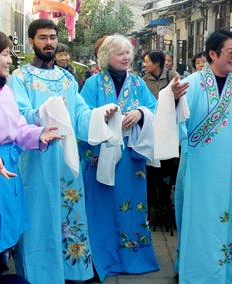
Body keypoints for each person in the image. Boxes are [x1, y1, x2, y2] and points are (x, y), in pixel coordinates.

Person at [156, 29, 232, 284]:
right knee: (200, 219)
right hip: (201, 171)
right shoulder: (193, 83)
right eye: (231, 53)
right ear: (212, 54)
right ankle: (199, 274)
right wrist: (171, 100)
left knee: (230, 218)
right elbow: (172, 118)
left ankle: (230, 274)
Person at [7, 19, 116, 284]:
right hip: (36, 159)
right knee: (38, 216)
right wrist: (44, 113)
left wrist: (99, 116)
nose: (49, 43)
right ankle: (39, 274)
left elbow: (79, 113)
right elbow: (18, 116)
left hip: (66, 160)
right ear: (31, 41)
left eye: (53, 37)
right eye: (43, 37)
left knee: (69, 212)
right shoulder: (19, 78)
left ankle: (69, 272)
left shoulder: (67, 77)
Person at [79, 34, 159, 281]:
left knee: (131, 206)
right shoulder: (93, 84)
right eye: (119, 53)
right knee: (100, 207)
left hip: (130, 157)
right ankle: (98, 259)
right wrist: (102, 117)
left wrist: (140, 112)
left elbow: (154, 108)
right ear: (106, 57)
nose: (126, 57)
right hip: (100, 155)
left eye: (128, 53)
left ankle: (132, 257)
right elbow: (82, 115)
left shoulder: (137, 83)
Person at [0, 28, 61, 283]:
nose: (10, 60)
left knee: (6, 236)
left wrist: (39, 134)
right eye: (5, 54)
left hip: (7, 174)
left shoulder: (4, 91)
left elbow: (17, 127)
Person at [142, 49, 179, 228]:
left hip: (170, 129)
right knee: (152, 170)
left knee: (168, 168)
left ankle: (166, 205)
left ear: (157, 63)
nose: (145, 64)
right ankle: (153, 207)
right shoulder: (143, 81)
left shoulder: (173, 76)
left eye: (148, 61)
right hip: (151, 132)